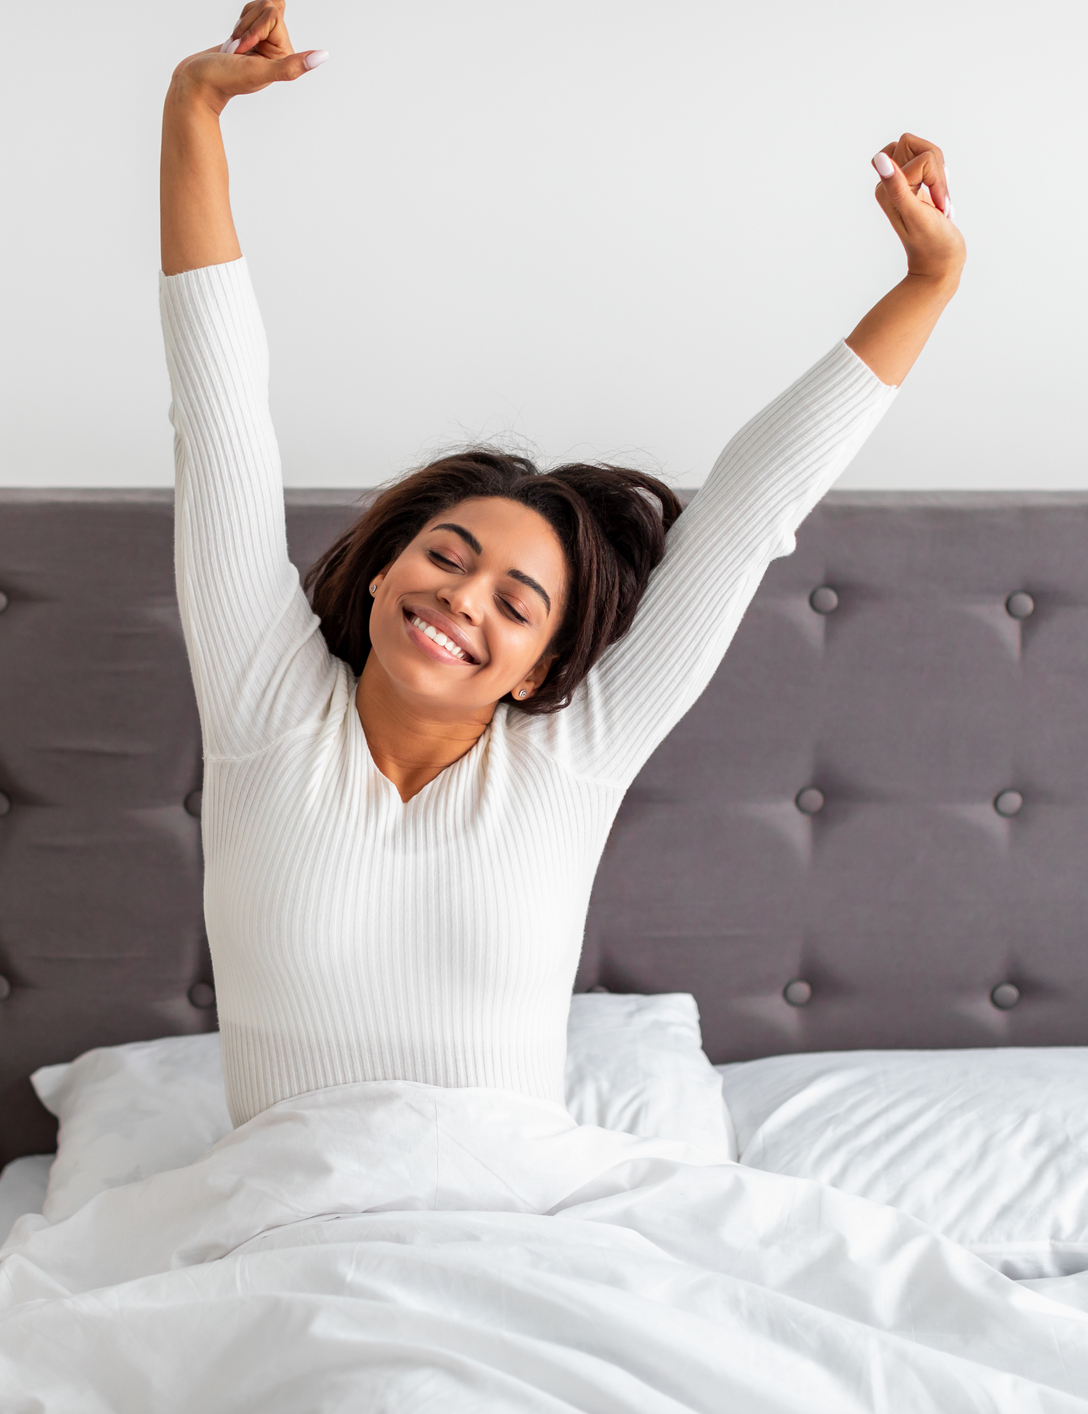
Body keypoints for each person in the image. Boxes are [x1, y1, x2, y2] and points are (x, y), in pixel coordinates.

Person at [161, 0, 963, 1127]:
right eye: (446, 555)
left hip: (509, 1241)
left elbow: (747, 514)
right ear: (383, 573)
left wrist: (928, 282)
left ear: (540, 668)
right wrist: (193, 110)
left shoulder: (569, 761)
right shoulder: (266, 713)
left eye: (516, 600)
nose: (459, 595)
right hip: (289, 1240)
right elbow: (220, 413)